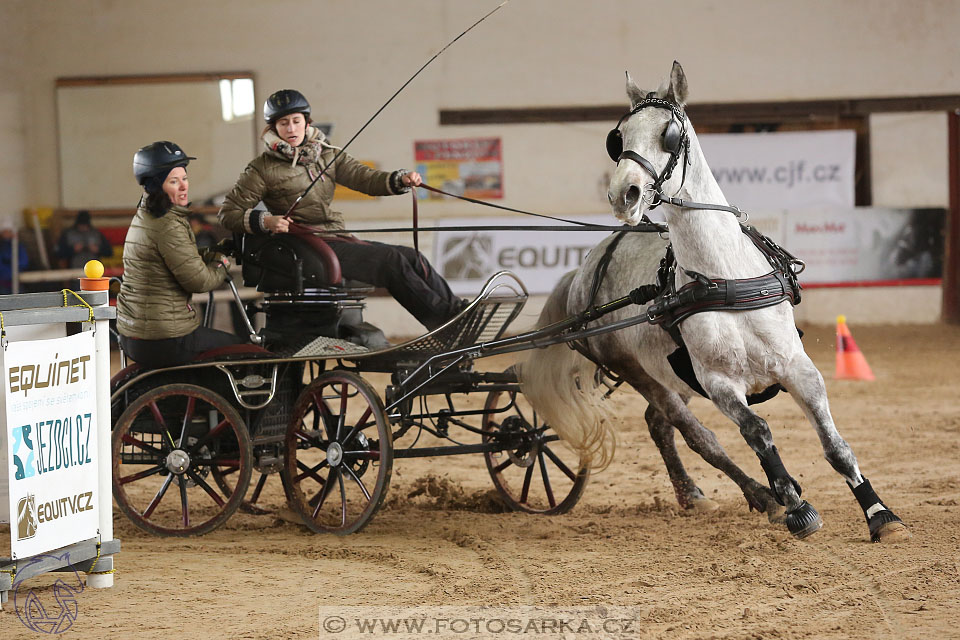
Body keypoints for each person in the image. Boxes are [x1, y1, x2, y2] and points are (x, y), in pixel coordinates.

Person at [218, 89, 466, 331]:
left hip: (333, 237)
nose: (291, 128)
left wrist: (399, 180)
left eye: (296, 121)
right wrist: (266, 221)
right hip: (303, 245)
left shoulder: (326, 154)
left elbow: (363, 177)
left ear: (307, 122)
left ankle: (458, 313)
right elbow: (228, 213)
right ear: (273, 128)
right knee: (391, 261)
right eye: (283, 123)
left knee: (412, 257)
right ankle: (444, 323)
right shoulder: (261, 168)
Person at [117, 141, 245, 368]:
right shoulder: (167, 225)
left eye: (184, 178)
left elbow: (177, 258)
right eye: (174, 181)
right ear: (157, 186)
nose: (184, 186)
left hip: (136, 334)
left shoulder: (145, 217)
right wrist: (222, 261)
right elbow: (200, 281)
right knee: (245, 351)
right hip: (166, 337)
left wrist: (214, 251)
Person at [0, 220, 29, 294]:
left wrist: (15, 270)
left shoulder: (19, 246)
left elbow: (24, 262)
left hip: (17, 281)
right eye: (5, 231)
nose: (7, 234)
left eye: (9, 231)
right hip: (3, 283)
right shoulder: (2, 247)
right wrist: (9, 273)